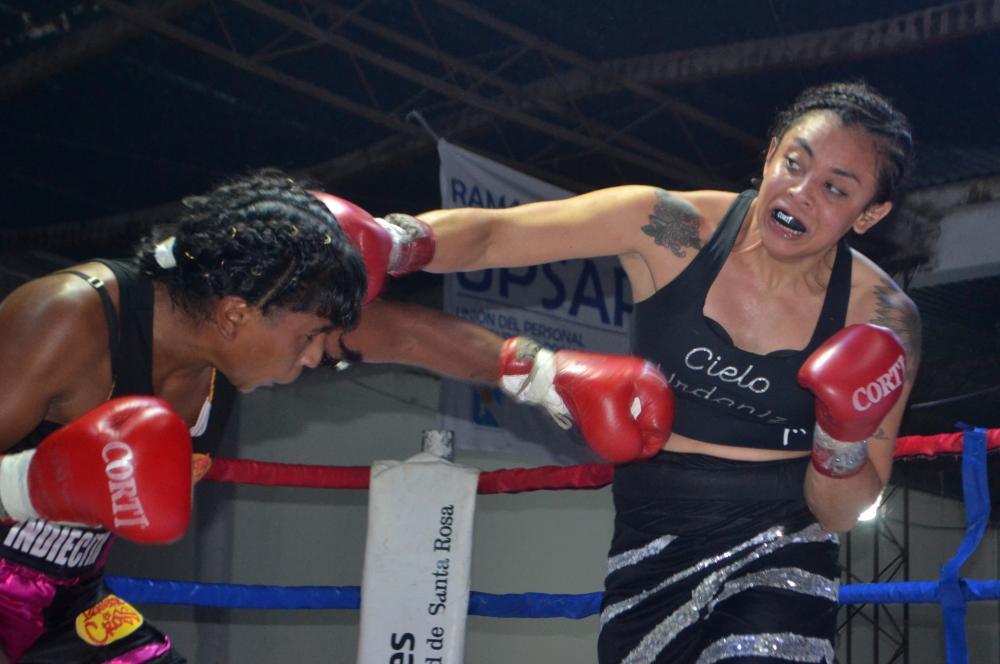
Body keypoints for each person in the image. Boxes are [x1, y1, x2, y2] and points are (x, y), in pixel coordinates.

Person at [356, 81, 921, 662]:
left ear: (870, 213)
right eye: (794, 163)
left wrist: (840, 441)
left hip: (785, 544)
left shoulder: (880, 317)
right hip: (648, 539)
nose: (800, 193)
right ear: (770, 152)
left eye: (834, 188)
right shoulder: (671, 228)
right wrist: (392, 241)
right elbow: (498, 236)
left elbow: (840, 512)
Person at [0, 169, 366, 663]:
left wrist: (409, 245)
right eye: (310, 336)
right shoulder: (68, 318)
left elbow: (404, 334)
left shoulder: (222, 364)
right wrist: (27, 484)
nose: (314, 357)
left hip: (64, 604)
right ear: (236, 315)